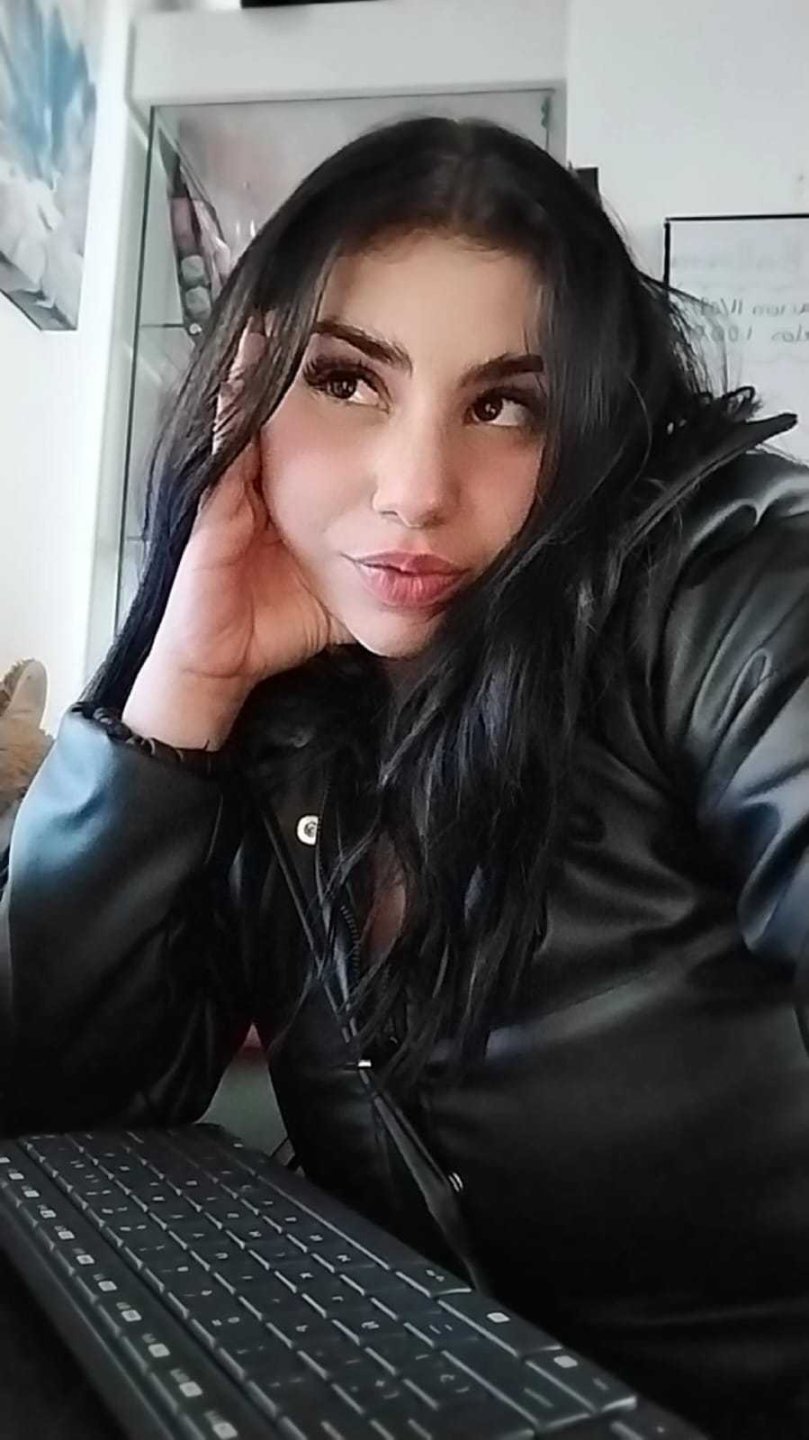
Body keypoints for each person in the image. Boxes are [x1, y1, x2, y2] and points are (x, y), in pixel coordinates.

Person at [0, 116, 807, 1439]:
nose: (415, 492)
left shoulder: (725, 590)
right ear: (245, 402)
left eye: (504, 405)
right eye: (346, 381)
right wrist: (185, 687)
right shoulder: (278, 693)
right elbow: (55, 1101)